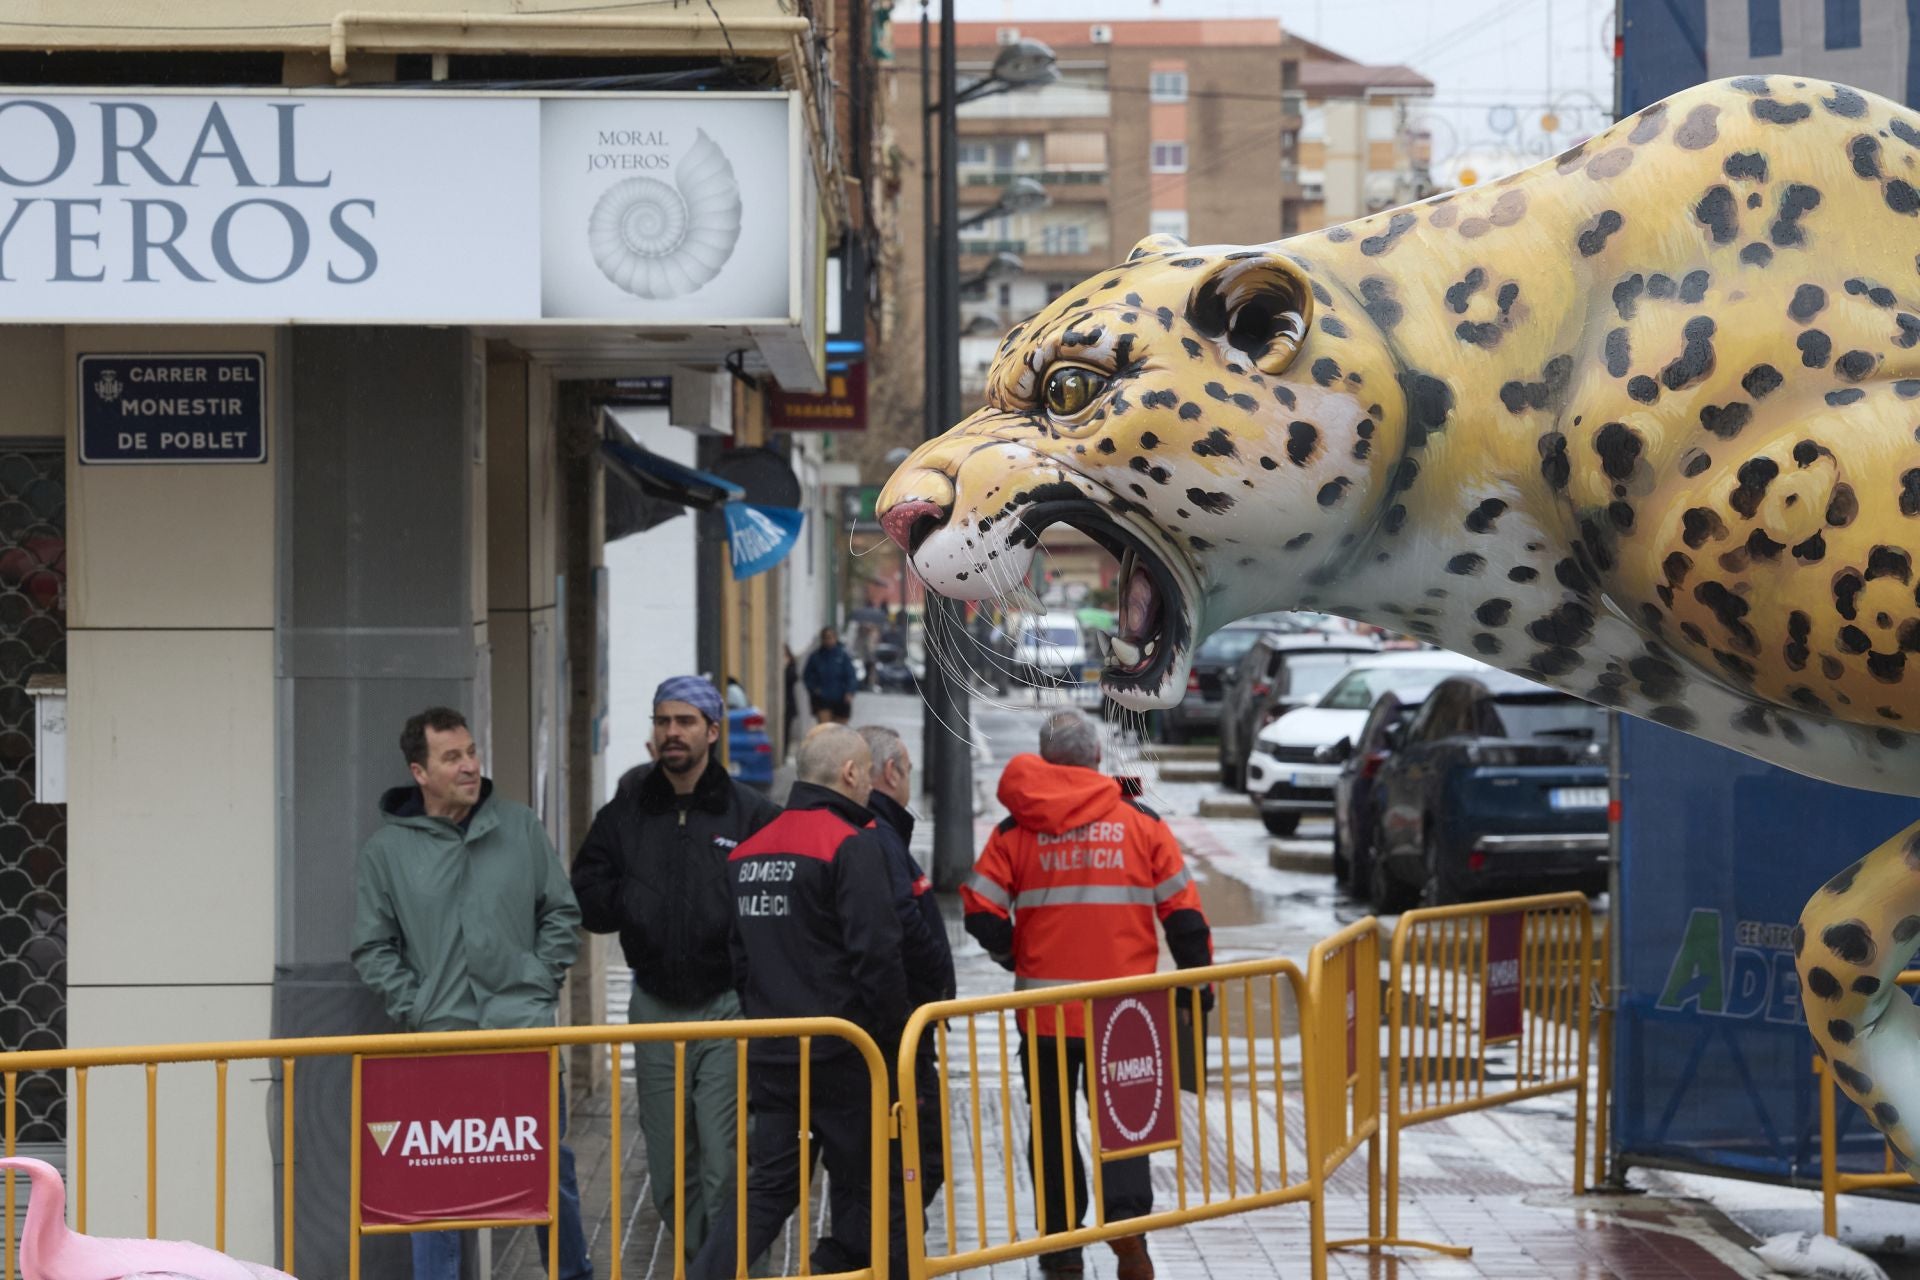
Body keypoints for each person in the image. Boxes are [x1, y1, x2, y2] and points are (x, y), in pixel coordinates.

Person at [960, 710, 1214, 1280]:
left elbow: (979, 908)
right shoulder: (1140, 820)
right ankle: (1129, 1241)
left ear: (1048, 763)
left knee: (1050, 1127)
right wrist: (1197, 989)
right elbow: (1186, 917)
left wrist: (1016, 956)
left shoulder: (1016, 828)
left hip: (1044, 1014)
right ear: (1097, 759)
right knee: (1126, 1127)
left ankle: (1062, 1248)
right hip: (1128, 1013)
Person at [351, 707, 591, 1280]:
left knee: (547, 1169)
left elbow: (561, 911)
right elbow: (372, 948)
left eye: (471, 752)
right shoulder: (386, 852)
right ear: (420, 772)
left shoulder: (519, 827)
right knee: (437, 1182)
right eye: (451, 757)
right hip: (439, 1041)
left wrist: (539, 983)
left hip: (522, 1032)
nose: (469, 766)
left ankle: (574, 1274)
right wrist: (417, 1007)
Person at [570, 676, 780, 1268]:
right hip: (654, 1005)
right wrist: (633, 904)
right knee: (668, 1168)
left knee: (724, 1160)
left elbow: (779, 902)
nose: (672, 733)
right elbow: (587, 894)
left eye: (685, 722)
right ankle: (700, 1262)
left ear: (712, 732)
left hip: (727, 1006)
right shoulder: (625, 814)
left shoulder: (752, 814)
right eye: (663, 721)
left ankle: (736, 1268)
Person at [689, 726, 909, 1280]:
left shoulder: (748, 851)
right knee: (863, 1190)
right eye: (863, 775)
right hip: (845, 1055)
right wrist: (893, 1043)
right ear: (852, 774)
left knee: (768, 1190)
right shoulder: (849, 844)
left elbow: (739, 957)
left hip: (771, 1053)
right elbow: (876, 956)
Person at [855, 724, 956, 1206]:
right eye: (910, 770)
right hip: (899, 1032)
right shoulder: (879, 835)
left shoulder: (875, 831)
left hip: (894, 1028)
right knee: (917, 1163)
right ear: (891, 771)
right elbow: (902, 925)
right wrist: (935, 979)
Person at [803, 626, 858, 724]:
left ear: (835, 638)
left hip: (841, 699)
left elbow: (851, 675)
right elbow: (807, 676)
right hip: (822, 699)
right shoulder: (816, 657)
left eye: (831, 637)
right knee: (825, 728)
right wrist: (815, 689)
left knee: (840, 730)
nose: (828, 640)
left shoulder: (843, 656)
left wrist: (850, 691)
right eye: (826, 637)